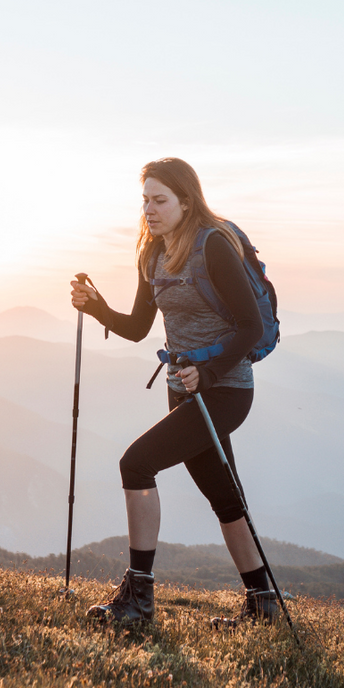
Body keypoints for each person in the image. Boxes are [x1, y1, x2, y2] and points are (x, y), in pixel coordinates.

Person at [69, 157, 276, 626]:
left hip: (225, 391)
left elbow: (251, 327)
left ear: (186, 201)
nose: (149, 209)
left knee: (136, 463)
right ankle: (262, 604)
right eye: (144, 200)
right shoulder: (152, 253)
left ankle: (138, 599)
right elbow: (140, 327)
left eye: (159, 200)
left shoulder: (214, 247)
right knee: (224, 496)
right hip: (181, 388)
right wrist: (97, 307)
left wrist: (209, 373)